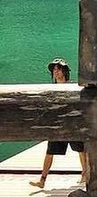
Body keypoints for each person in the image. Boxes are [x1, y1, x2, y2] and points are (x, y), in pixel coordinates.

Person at [31, 60, 88, 189]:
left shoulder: (73, 87)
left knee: (81, 150)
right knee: (49, 152)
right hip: (58, 126)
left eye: (58, 69)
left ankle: (85, 174)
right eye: (54, 70)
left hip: (73, 125)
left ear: (64, 71)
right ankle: (42, 180)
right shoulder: (52, 88)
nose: (55, 72)